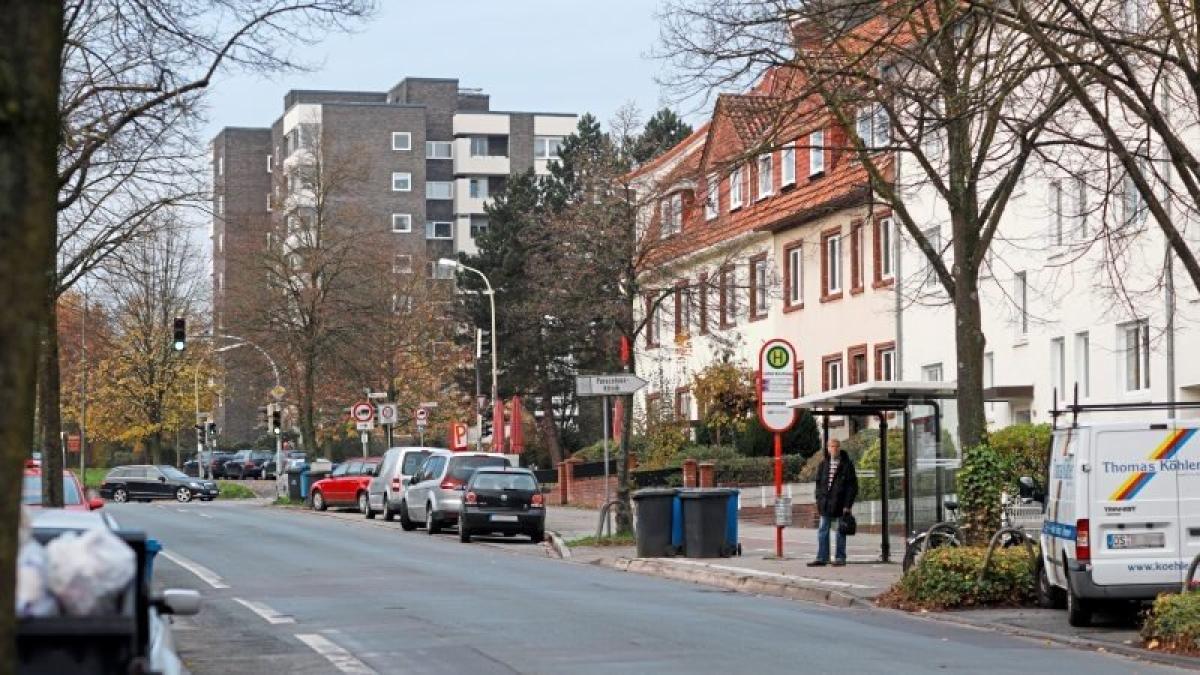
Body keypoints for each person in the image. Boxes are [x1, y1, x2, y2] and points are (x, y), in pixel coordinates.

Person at [808, 438, 858, 567]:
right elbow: (818, 484)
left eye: (836, 446)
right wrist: (818, 499)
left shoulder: (847, 465)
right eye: (831, 446)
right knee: (822, 530)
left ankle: (840, 558)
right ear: (828, 448)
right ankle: (822, 557)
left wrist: (848, 505)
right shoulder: (823, 464)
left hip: (841, 504)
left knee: (840, 531)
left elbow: (852, 486)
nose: (834, 449)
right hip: (825, 504)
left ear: (839, 448)